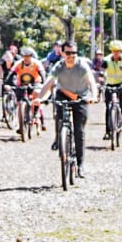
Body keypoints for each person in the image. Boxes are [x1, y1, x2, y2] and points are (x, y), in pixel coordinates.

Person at [38, 42, 98, 176]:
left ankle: (80, 164)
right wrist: (39, 98)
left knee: (79, 131)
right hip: (63, 94)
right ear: (63, 53)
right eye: (68, 53)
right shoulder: (58, 66)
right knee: (59, 120)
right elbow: (49, 82)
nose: (71, 56)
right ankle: (61, 144)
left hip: (81, 97)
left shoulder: (82, 65)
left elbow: (91, 82)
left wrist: (94, 96)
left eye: (74, 53)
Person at [4, 46, 47, 130]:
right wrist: (7, 83)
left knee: (36, 93)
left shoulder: (37, 63)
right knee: (20, 103)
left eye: (28, 56)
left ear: (31, 56)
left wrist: (43, 83)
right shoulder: (18, 64)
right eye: (24, 56)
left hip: (35, 83)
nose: (26, 58)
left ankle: (36, 113)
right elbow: (11, 74)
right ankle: (21, 126)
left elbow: (42, 74)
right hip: (21, 84)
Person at [101, 39, 122, 139]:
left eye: (118, 51)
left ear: (121, 51)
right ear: (111, 51)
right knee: (108, 107)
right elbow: (102, 71)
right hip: (110, 83)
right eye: (114, 51)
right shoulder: (106, 60)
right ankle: (108, 131)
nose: (116, 53)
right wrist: (100, 81)